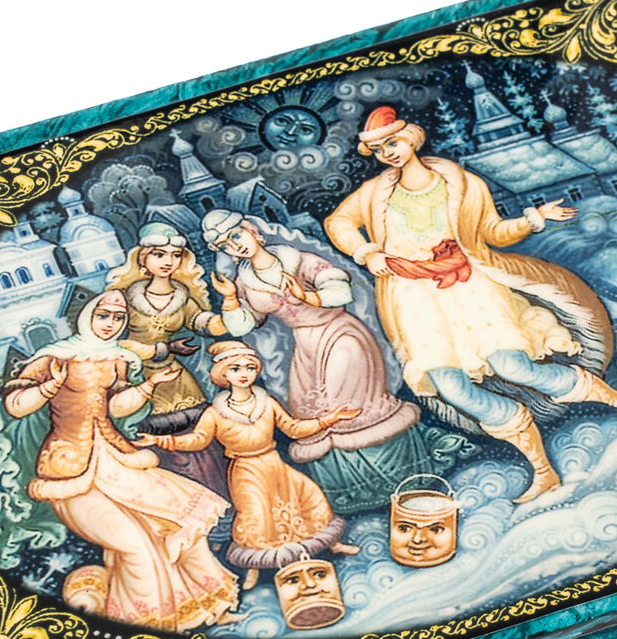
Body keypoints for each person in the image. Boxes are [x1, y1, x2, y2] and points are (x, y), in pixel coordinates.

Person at [323, 106, 617, 500]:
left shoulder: (462, 184)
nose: (388, 153)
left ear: (411, 138)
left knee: (512, 365)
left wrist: (533, 219)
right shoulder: (374, 193)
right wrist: (366, 252)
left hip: (470, 288)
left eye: (393, 143)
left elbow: (492, 231)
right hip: (413, 301)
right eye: (378, 149)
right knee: (452, 388)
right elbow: (337, 222)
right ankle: (542, 470)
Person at [0, 289, 238, 628]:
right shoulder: (54, 357)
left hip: (117, 458)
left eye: (118, 318)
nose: (110, 324)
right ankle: (148, 624)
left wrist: (149, 385)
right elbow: (15, 406)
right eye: (104, 316)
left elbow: (116, 407)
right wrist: (48, 388)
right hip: (70, 469)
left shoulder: (117, 358)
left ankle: (208, 607)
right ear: (86, 317)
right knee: (136, 547)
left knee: (183, 522)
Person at [199, 208, 446, 512]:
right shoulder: (245, 281)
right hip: (305, 348)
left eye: (236, 235)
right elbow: (244, 326)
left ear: (252, 230)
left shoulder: (297, 259)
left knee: (347, 404)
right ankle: (355, 490)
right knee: (310, 412)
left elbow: (341, 291)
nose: (235, 246)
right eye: (225, 245)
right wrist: (229, 298)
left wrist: (307, 296)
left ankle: (403, 477)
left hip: (341, 335)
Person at [147, 340, 361, 592]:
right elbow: (198, 440)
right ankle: (254, 568)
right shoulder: (215, 413)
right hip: (246, 470)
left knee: (308, 497)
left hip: (273, 463)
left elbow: (293, 428)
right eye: (236, 368)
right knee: (256, 515)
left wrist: (329, 419)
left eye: (250, 368)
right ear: (224, 374)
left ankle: (332, 544)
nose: (244, 374)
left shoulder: (267, 403)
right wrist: (165, 441)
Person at [108, 223, 229, 501]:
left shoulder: (181, 296)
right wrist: (163, 348)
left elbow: (203, 323)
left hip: (178, 381)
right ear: (143, 258)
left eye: (176, 255)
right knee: (157, 449)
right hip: (138, 380)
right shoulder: (126, 298)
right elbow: (116, 344)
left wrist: (233, 307)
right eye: (160, 254)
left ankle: (220, 499)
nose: (169, 261)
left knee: (202, 441)